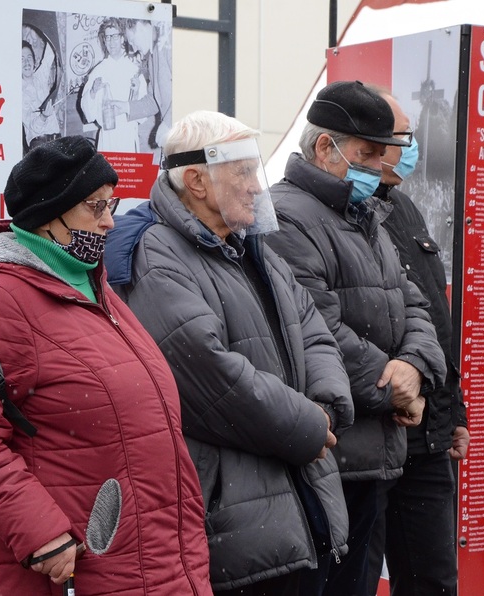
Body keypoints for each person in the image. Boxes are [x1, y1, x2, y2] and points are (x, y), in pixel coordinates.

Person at [0, 135, 212, 595]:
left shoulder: (91, 284)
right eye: (94, 206)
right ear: (49, 215)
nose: (109, 221)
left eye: (111, 204)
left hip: (152, 561)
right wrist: (41, 534)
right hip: (80, 567)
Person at [105, 110, 354, 595]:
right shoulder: (157, 254)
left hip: (301, 509)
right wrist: (307, 425)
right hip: (239, 526)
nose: (258, 187)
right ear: (196, 181)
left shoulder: (249, 247)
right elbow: (209, 377)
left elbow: (314, 332)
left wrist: (325, 406)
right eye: (243, 172)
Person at [264, 81, 447, 596]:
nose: (378, 166)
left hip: (376, 451)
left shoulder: (363, 212)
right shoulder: (286, 217)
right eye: (366, 155)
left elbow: (415, 303)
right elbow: (315, 330)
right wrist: (395, 388)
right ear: (326, 147)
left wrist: (415, 367)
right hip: (333, 455)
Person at [364, 88, 470, 596]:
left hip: (428, 439)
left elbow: (434, 316)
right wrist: (399, 390)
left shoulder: (404, 207)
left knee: (433, 582)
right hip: (373, 432)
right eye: (401, 138)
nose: (410, 148)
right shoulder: (329, 215)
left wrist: (454, 411)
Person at [79, 18, 146, 152]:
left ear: (122, 39)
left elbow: (144, 108)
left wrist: (137, 91)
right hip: (107, 137)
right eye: (107, 37)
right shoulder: (97, 71)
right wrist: (92, 92)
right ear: (104, 41)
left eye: (114, 36)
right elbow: (88, 113)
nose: (111, 41)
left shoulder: (134, 69)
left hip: (128, 135)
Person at [109, 18, 172, 156]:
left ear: (139, 26)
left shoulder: (169, 42)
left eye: (132, 40)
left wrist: (168, 123)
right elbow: (153, 100)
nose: (133, 48)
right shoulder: (152, 57)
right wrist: (126, 107)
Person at [21, 38, 60, 148]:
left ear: (34, 61)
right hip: (38, 144)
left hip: (56, 139)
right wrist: (43, 116)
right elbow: (31, 126)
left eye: (29, 58)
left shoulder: (40, 76)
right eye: (22, 59)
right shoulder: (17, 93)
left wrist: (49, 31)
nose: (27, 62)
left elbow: (50, 53)